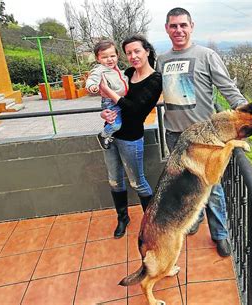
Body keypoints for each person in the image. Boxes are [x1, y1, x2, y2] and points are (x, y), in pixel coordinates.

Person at [156, 7, 248, 257]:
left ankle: (220, 234)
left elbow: (227, 89)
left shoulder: (207, 55)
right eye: (173, 26)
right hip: (174, 135)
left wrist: (247, 117)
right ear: (167, 29)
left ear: (191, 26)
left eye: (183, 25)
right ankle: (193, 220)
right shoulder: (162, 60)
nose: (178, 30)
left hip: (203, 140)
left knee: (213, 187)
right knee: (184, 187)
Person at [99, 35, 162, 238]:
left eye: (137, 51)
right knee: (114, 180)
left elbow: (135, 111)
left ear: (147, 51)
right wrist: (105, 113)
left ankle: (152, 223)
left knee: (137, 182)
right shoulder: (126, 73)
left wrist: (109, 91)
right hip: (111, 133)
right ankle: (122, 217)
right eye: (128, 53)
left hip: (131, 138)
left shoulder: (155, 80)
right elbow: (114, 105)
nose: (133, 56)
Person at [85, 40, 129, 150]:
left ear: (117, 55)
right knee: (115, 124)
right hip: (110, 102)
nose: (109, 59)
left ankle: (114, 135)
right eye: (104, 57)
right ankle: (104, 135)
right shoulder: (100, 70)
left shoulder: (116, 69)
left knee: (125, 120)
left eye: (112, 56)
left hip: (120, 99)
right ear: (97, 58)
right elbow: (92, 79)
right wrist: (92, 86)